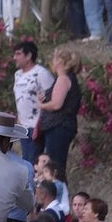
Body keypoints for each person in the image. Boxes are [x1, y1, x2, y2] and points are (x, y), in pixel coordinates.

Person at [35, 46, 82, 176]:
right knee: (56, 164)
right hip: (63, 126)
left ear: (60, 61)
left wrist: (41, 105)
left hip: (59, 126)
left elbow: (56, 104)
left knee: (55, 167)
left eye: (54, 59)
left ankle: (59, 192)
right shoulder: (69, 79)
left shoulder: (63, 79)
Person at [12, 41, 56, 163]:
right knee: (26, 161)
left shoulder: (41, 73)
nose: (14, 57)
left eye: (18, 54)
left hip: (37, 125)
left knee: (33, 161)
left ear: (28, 56)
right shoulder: (18, 74)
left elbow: (53, 95)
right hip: (23, 127)